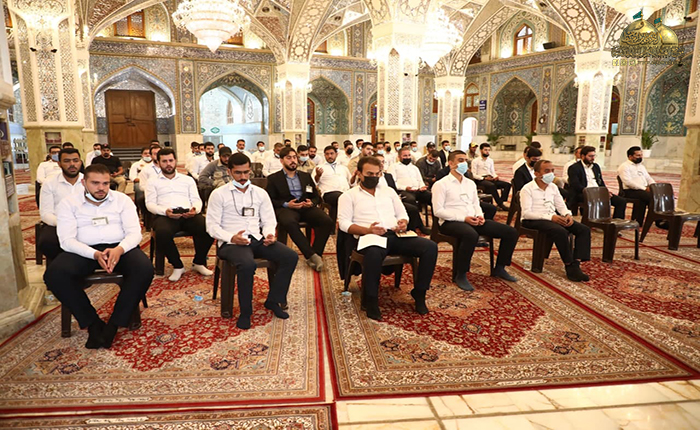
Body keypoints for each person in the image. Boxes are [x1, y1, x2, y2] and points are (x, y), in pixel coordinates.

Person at [44, 164, 154, 349]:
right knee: (54, 275)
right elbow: (66, 241)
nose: (101, 188)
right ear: (84, 182)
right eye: (95, 183)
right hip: (83, 250)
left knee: (144, 269)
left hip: (119, 247)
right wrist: (94, 254)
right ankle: (93, 323)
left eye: (105, 183)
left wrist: (119, 249)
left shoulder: (122, 200)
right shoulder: (68, 204)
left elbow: (134, 233)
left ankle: (114, 324)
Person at [338, 156, 437, 320]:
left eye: (377, 174)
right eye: (369, 174)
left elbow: (402, 213)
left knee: (430, 247)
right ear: (359, 174)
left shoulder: (388, 191)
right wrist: (367, 230)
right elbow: (343, 223)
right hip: (369, 237)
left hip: (394, 235)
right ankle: (371, 299)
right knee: (373, 254)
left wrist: (403, 222)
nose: (374, 177)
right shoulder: (348, 196)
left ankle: (419, 292)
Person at [206, 153, 298, 330]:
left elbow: (269, 220)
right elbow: (211, 227)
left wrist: (269, 234)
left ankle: (273, 300)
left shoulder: (260, 193)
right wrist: (231, 237)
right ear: (229, 172)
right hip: (231, 243)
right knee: (248, 265)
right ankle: (245, 312)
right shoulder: (219, 194)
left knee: (290, 256)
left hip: (257, 239)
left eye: (246, 172)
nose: (243, 177)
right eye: (238, 173)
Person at [433, 150, 519, 291]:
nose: (464, 163)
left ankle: (500, 267)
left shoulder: (470, 183)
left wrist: (480, 216)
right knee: (470, 235)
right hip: (451, 222)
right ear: (451, 163)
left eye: (465, 160)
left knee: (510, 232)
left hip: (472, 219)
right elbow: (438, 211)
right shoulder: (441, 184)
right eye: (460, 160)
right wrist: (464, 218)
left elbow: (475, 204)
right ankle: (461, 274)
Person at [146, 148, 214, 282]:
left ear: (175, 161)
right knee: (162, 233)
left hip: (188, 213)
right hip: (165, 215)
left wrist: (195, 209)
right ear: (158, 163)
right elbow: (150, 204)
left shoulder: (187, 180)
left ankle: (199, 262)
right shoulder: (152, 181)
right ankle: (177, 265)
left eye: (171, 160)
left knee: (209, 228)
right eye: (164, 161)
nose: (168, 164)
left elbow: (196, 199)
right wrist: (165, 211)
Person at [521, 160, 591, 282]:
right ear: (537, 174)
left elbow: (561, 206)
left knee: (583, 229)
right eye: (546, 171)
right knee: (560, 231)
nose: (551, 173)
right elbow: (526, 213)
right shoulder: (527, 189)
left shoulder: (553, 187)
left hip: (551, 218)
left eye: (552, 170)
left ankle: (576, 263)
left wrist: (567, 214)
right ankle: (569, 264)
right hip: (532, 219)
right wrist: (551, 218)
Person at [266, 147, 334, 271]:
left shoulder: (305, 176)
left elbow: (316, 197)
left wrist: (311, 203)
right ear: (281, 160)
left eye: (294, 157)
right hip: (287, 209)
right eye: (288, 158)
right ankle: (311, 254)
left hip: (305, 207)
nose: (293, 160)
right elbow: (270, 199)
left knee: (327, 221)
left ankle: (315, 253)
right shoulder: (273, 178)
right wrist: (287, 204)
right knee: (289, 222)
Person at [39, 148, 85, 261]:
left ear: (80, 162)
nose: (72, 164)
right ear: (59, 164)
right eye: (67, 161)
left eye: (75, 160)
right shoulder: (49, 183)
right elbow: (46, 213)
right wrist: (65, 223)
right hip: (59, 223)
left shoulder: (89, 181)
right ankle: (64, 265)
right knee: (47, 242)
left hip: (85, 222)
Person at [375, 153, 429, 234]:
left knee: (413, 209)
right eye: (379, 162)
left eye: (383, 162)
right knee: (410, 200)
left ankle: (412, 231)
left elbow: (393, 190)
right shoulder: (371, 178)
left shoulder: (388, 176)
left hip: (393, 201)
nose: (381, 164)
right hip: (381, 203)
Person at [568, 146, 626, 219]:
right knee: (597, 200)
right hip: (583, 193)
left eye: (594, 156)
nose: (593, 158)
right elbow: (575, 185)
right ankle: (593, 221)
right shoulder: (574, 168)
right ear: (583, 156)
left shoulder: (595, 166)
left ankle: (616, 222)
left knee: (621, 201)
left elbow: (600, 181)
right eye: (590, 156)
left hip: (598, 192)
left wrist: (605, 191)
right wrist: (591, 192)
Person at [617, 146, 660, 227]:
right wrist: (644, 188)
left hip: (641, 191)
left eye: (641, 155)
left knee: (657, 195)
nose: (640, 157)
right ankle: (658, 220)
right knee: (651, 197)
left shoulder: (641, 166)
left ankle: (642, 221)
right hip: (629, 191)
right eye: (638, 155)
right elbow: (628, 182)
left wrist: (654, 186)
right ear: (630, 156)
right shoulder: (624, 166)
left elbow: (648, 178)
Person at [314, 145, 351, 222]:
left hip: (345, 192)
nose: (329, 156)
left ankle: (339, 224)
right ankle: (337, 223)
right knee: (340, 198)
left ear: (336, 154)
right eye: (327, 154)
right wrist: (318, 175)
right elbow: (314, 183)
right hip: (328, 193)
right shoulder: (319, 167)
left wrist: (355, 176)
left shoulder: (343, 168)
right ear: (324, 155)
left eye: (331, 153)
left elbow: (351, 182)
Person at [471, 143, 510, 211]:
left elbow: (492, 172)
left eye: (488, 150)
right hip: (481, 180)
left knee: (507, 185)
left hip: (490, 178)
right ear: (481, 150)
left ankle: (501, 201)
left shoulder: (490, 160)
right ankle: (500, 204)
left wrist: (495, 176)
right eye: (485, 150)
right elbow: (473, 174)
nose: (487, 152)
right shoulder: (475, 161)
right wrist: (484, 178)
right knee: (492, 186)